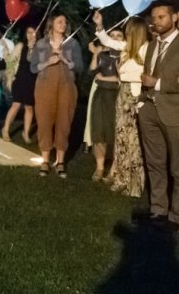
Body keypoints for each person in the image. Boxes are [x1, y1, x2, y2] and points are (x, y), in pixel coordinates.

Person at [136, 1, 179, 230]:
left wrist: (160, 83)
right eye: (154, 18)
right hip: (149, 111)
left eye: (162, 17)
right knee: (154, 162)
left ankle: (177, 215)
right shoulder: (153, 45)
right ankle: (158, 209)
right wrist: (143, 102)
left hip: (175, 114)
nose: (156, 22)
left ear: (174, 18)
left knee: (178, 167)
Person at [93, 13, 149, 198]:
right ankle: (121, 179)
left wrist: (123, 73)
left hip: (135, 96)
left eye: (128, 31)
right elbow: (108, 41)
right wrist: (100, 26)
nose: (125, 34)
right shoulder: (126, 48)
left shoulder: (147, 50)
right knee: (122, 139)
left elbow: (142, 76)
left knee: (133, 141)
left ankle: (135, 185)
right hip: (122, 94)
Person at [31, 14, 83, 178]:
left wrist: (65, 59)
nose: (63, 24)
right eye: (59, 21)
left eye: (65, 22)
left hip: (66, 86)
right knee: (44, 121)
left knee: (64, 122)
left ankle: (60, 161)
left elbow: (80, 67)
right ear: (51, 24)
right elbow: (33, 67)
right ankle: (45, 160)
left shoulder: (72, 43)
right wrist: (49, 62)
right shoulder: (41, 44)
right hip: (45, 86)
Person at [87, 30, 123, 181]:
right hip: (101, 95)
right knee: (99, 131)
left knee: (115, 132)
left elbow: (119, 78)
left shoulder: (124, 55)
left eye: (119, 36)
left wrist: (104, 79)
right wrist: (95, 53)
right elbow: (93, 71)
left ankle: (114, 168)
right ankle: (100, 167)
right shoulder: (103, 54)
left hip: (116, 96)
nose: (114, 38)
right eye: (112, 35)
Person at [1, 25, 37, 142]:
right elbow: (9, 60)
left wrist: (32, 49)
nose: (31, 35)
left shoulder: (40, 48)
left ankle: (25, 133)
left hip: (32, 82)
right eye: (28, 33)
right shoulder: (21, 46)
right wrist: (5, 49)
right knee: (16, 105)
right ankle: (5, 129)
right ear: (25, 35)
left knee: (29, 107)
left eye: (33, 32)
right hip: (20, 80)